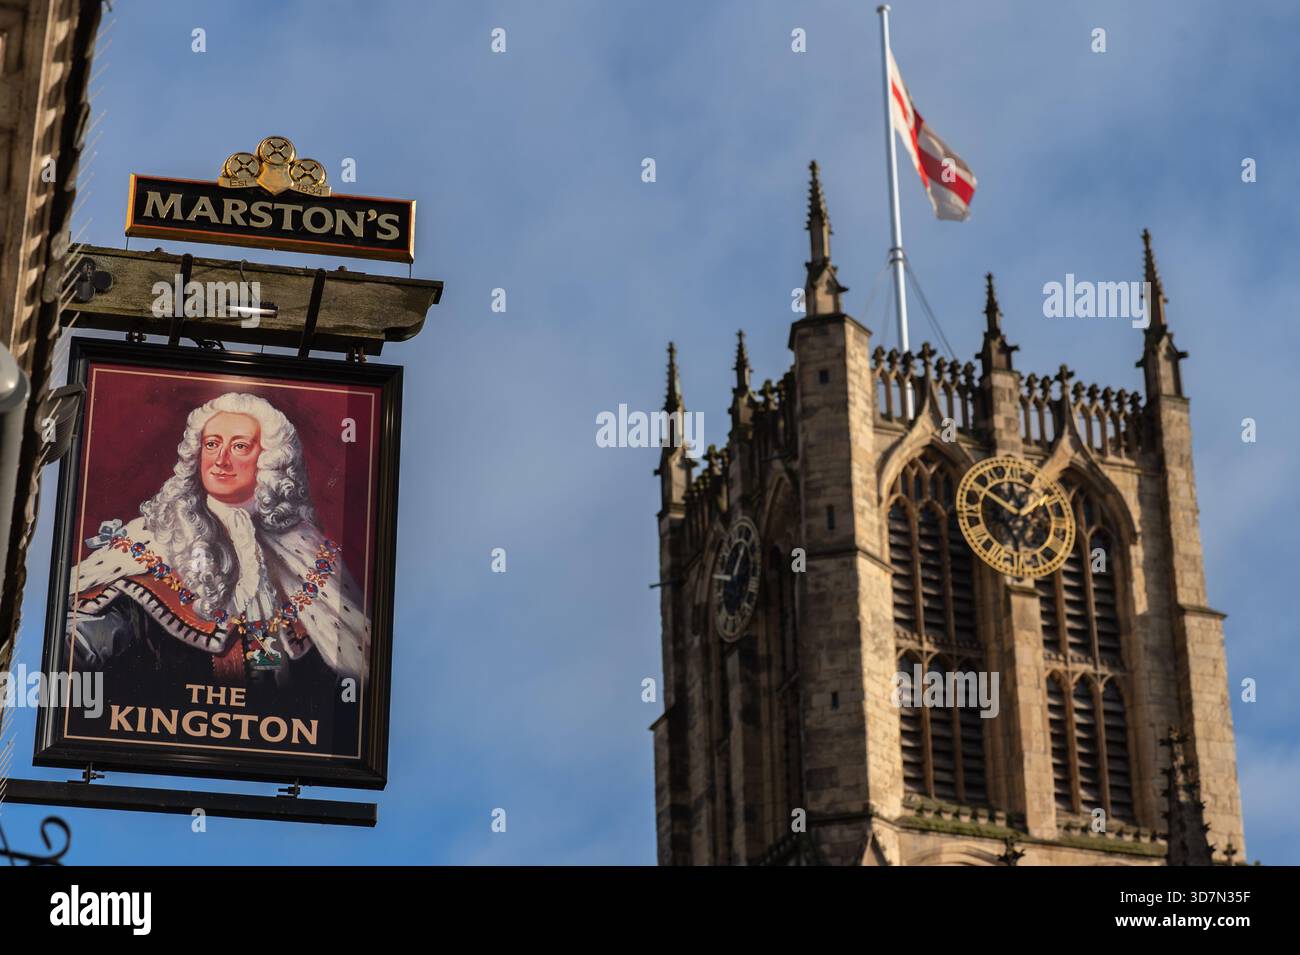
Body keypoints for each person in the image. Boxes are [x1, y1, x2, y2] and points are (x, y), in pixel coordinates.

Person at [66, 392, 369, 738]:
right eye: (211, 444)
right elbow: (87, 637)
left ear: (269, 459)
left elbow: (349, 675)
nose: (220, 460)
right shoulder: (154, 539)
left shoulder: (308, 554)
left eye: (239, 446)